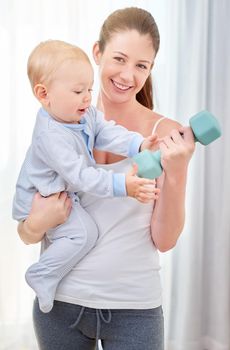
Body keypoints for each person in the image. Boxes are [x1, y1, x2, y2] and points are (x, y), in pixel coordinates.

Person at [17, 7, 195, 350]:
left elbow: (165, 240)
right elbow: (27, 228)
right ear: (97, 53)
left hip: (134, 310)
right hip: (60, 306)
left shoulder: (166, 135)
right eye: (119, 59)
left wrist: (179, 169)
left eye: (141, 65)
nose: (128, 75)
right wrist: (35, 224)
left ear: (150, 69)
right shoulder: (60, 124)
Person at [12, 39, 160, 314]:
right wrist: (122, 185)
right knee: (83, 234)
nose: (87, 98)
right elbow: (81, 176)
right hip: (42, 199)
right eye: (79, 91)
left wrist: (138, 144)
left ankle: (45, 273)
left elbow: (106, 131)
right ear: (44, 95)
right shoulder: (51, 136)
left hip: (61, 194)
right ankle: (42, 274)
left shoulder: (82, 115)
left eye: (89, 89)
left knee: (85, 232)